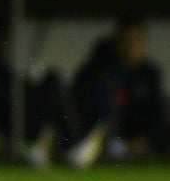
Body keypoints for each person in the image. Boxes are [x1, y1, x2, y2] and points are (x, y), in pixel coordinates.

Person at [68, 15, 166, 165]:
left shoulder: (150, 75)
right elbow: (81, 105)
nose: (131, 46)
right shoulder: (100, 72)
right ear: (118, 42)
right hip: (105, 139)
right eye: (126, 40)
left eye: (135, 40)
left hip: (138, 142)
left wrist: (144, 140)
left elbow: (159, 116)